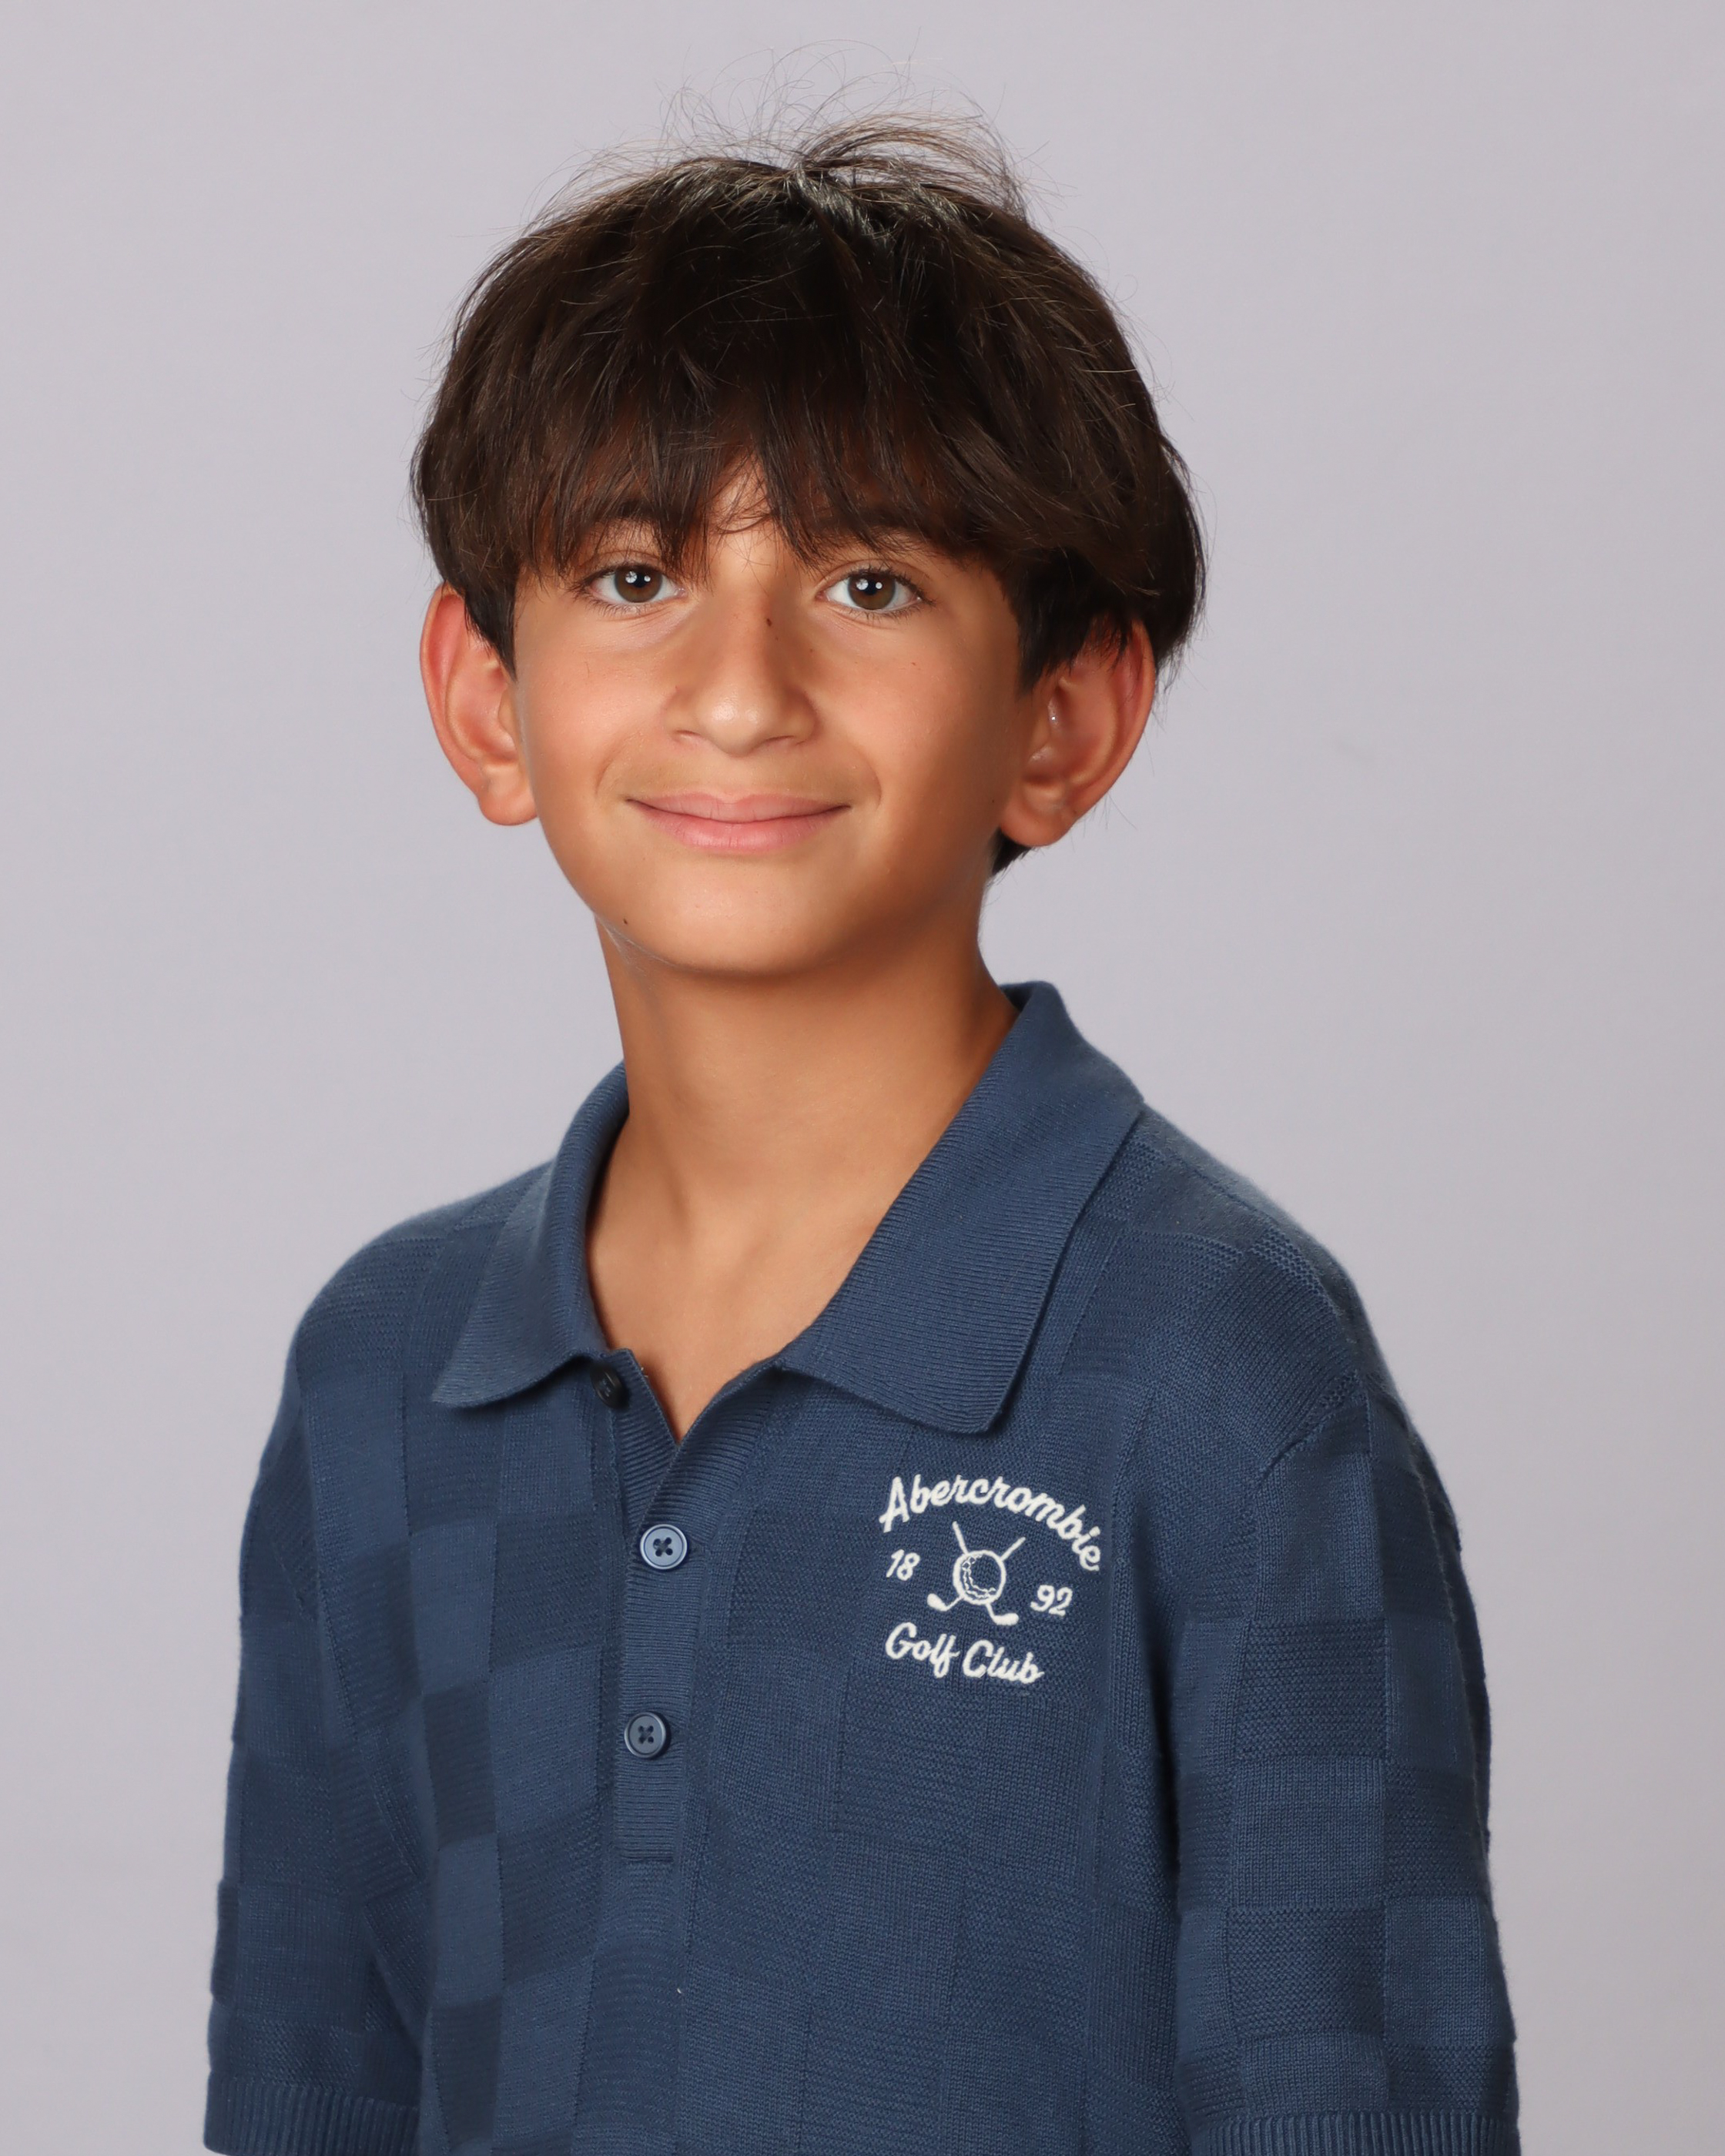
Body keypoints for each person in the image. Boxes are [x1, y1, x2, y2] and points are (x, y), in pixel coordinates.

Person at [203, 116, 1519, 2156]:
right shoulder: (387, 1371)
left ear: (1063, 721)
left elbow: (1358, 2107)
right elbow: (311, 2092)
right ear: (485, 699)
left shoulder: (1222, 1367)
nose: (740, 691)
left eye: (869, 582)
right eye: (635, 577)